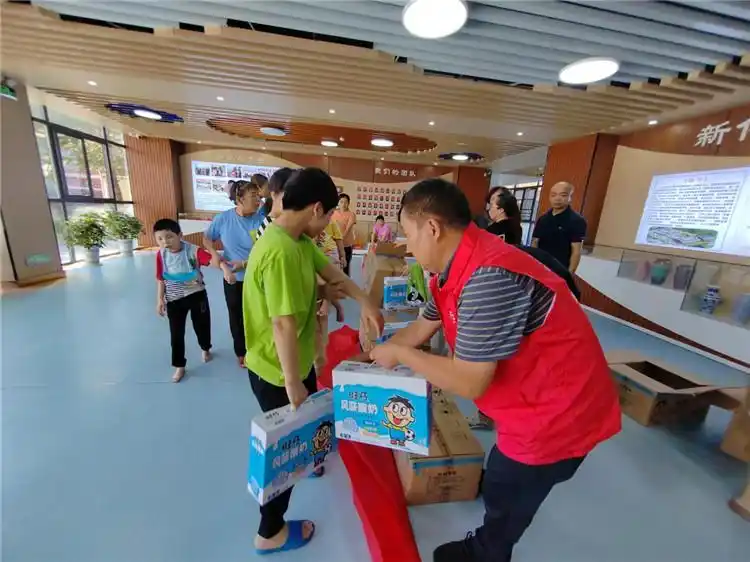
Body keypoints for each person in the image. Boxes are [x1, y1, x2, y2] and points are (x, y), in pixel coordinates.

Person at [370, 178, 620, 562]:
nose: (407, 245)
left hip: (557, 411)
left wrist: (401, 354)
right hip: (530, 397)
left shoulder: (488, 276)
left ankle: (489, 551)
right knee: (503, 477)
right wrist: (375, 356)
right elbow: (421, 327)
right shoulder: (451, 269)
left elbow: (470, 382)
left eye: (408, 234)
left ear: (432, 228)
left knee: (507, 486)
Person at [243, 167, 383, 555]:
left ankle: (300, 468)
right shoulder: (281, 251)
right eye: (329, 215)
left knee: (296, 445)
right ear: (317, 208)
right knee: (283, 455)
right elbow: (283, 324)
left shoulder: (296, 240)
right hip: (277, 371)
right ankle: (270, 532)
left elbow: (331, 272)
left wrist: (364, 301)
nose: (329, 224)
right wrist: (294, 385)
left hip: (291, 363)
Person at [203, 180, 265, 367]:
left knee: (258, 315)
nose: (258, 200)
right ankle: (242, 352)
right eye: (253, 196)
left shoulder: (262, 220)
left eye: (258, 196)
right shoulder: (223, 219)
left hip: (258, 277)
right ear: (240, 199)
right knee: (236, 315)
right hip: (233, 278)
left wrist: (246, 264)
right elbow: (207, 238)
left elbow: (267, 251)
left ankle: (259, 349)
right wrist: (214, 254)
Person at [154, 219, 216, 383]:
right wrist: (160, 299)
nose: (165, 242)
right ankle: (179, 365)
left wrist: (223, 266)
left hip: (196, 295)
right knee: (176, 334)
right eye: (160, 239)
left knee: (202, 326)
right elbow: (160, 279)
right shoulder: (161, 255)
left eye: (169, 237)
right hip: (174, 299)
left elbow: (211, 260)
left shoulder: (193, 250)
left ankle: (205, 348)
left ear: (180, 235)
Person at [532, 181, 587, 273]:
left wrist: (569, 274)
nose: (557, 198)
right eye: (553, 195)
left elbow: (576, 251)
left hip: (560, 269)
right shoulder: (543, 219)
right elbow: (535, 243)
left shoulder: (577, 220)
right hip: (540, 267)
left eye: (563, 195)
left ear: (570, 197)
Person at [332, 193, 356, 275]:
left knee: (345, 267)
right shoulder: (333, 213)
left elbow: (347, 230)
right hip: (334, 245)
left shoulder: (351, 214)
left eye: (346, 202)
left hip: (346, 245)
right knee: (335, 267)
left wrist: (339, 240)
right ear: (338, 203)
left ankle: (346, 282)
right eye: (341, 202)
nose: (343, 204)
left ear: (348, 203)